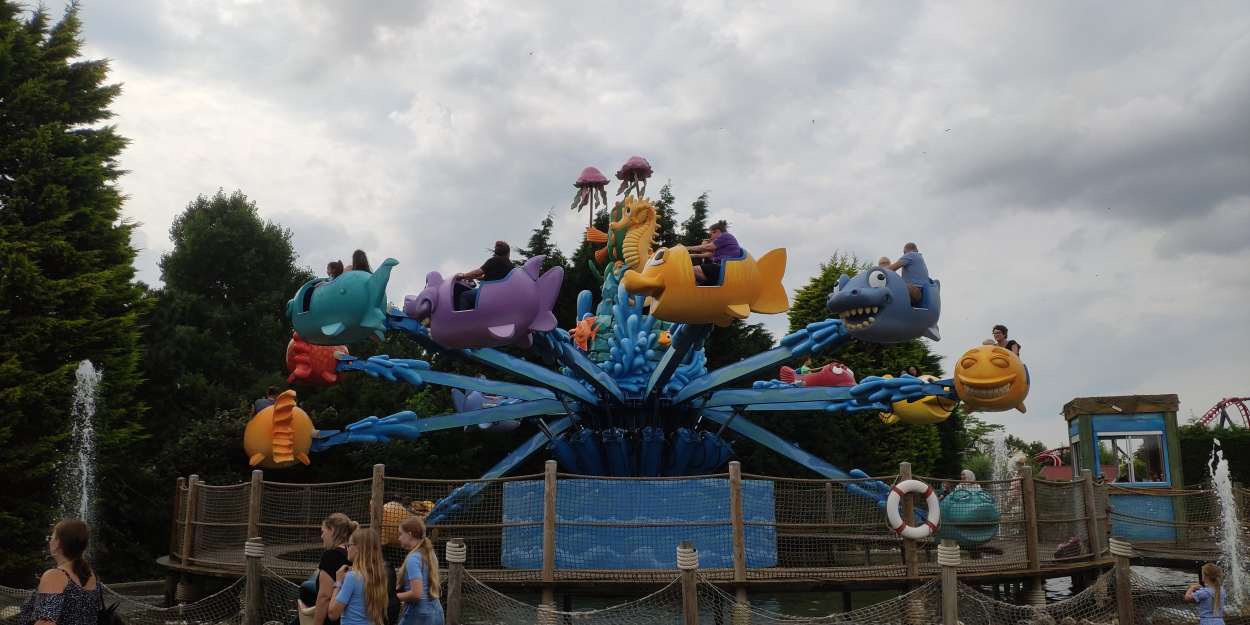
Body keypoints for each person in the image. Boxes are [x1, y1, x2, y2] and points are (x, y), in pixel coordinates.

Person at [19, 520, 105, 625]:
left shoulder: (55, 576)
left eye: (51, 537)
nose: (49, 542)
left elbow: (46, 622)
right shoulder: (91, 574)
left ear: (57, 543)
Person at [330, 529, 391, 625]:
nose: (347, 549)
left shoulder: (352, 577)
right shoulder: (379, 575)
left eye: (349, 545)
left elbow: (333, 614)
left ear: (358, 548)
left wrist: (338, 583)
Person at [396, 517, 444, 625]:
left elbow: (416, 593)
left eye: (401, 534)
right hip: (437, 613)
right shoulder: (430, 554)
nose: (399, 538)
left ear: (410, 534)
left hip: (419, 616)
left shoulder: (413, 558)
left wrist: (393, 598)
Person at [313, 514, 357, 625]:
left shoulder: (331, 556)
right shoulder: (353, 555)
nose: (322, 536)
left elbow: (324, 597)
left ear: (332, 530)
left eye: (323, 532)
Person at [453, 241, 514, 310]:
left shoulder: (494, 260)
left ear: (496, 252)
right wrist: (474, 277)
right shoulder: (511, 266)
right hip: (502, 293)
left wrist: (463, 276)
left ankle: (463, 316)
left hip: (489, 293)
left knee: (464, 295)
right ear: (508, 253)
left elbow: (478, 272)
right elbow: (494, 277)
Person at [688, 220, 743, 285]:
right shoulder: (723, 244)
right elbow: (708, 254)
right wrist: (689, 255)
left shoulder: (725, 236)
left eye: (711, 235)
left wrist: (687, 248)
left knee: (689, 270)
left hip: (724, 269)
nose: (711, 238)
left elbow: (708, 247)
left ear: (717, 231)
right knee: (696, 277)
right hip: (724, 268)